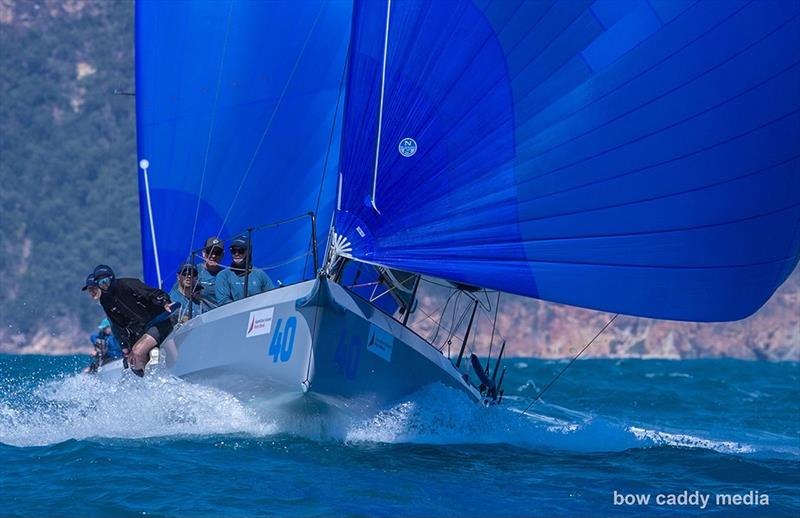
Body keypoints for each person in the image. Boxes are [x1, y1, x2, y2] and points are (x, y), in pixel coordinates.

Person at [87, 264, 174, 377]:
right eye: (101, 284)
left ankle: (159, 369)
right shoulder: (105, 300)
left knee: (137, 352)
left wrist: (165, 302)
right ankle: (148, 385)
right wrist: (125, 346)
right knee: (132, 360)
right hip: (142, 331)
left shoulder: (127, 284)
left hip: (159, 323)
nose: (105, 286)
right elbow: (119, 325)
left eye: (106, 281)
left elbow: (152, 293)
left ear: (112, 278)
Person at [215, 235, 274, 305]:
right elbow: (223, 301)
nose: (237, 254)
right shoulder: (223, 275)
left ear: (248, 252)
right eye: (233, 251)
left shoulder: (259, 274)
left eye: (241, 251)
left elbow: (272, 296)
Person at [198, 236, 224, 306]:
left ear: (222, 255)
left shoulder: (226, 275)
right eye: (210, 251)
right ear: (203, 253)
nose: (213, 255)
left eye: (217, 253)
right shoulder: (194, 271)